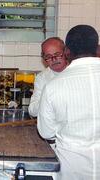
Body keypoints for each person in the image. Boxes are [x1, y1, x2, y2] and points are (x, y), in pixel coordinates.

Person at [38, 24, 100, 180]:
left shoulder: (53, 86)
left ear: (67, 51)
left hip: (71, 169)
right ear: (97, 48)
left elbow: (46, 132)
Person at [28, 37, 68, 117]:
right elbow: (32, 111)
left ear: (66, 52)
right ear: (43, 59)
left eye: (57, 54)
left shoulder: (77, 71)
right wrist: (49, 96)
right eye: (49, 57)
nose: (54, 59)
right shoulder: (42, 78)